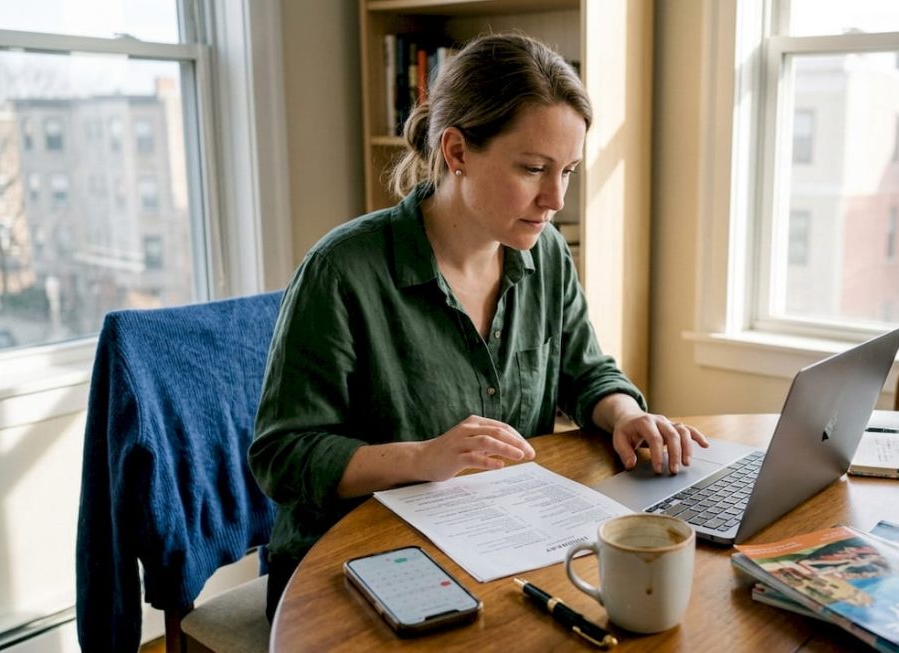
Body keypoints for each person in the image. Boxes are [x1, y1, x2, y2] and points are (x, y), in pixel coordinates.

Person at [248, 32, 708, 622]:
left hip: (502, 548)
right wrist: (423, 457)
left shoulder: (546, 256)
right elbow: (283, 455)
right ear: (458, 151)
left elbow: (586, 370)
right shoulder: (342, 271)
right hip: (353, 565)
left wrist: (625, 414)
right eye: (534, 168)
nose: (554, 199)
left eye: (568, 170)